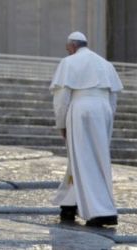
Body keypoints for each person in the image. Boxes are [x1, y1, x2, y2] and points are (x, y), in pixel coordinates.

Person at [50, 31, 123, 227]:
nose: (68, 52)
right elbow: (113, 97)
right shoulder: (105, 64)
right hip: (104, 109)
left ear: (72, 46)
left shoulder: (69, 62)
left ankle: (100, 211)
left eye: (68, 49)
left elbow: (61, 99)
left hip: (81, 108)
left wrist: (61, 124)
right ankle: (69, 203)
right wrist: (108, 119)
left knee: (81, 158)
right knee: (96, 158)